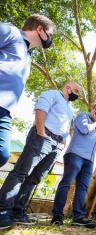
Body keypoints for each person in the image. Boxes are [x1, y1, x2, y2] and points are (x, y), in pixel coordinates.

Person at [0, 82, 81, 229]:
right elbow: (41, 110)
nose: (78, 94)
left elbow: (65, 127)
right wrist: (40, 131)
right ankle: (3, 209)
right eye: (76, 90)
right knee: (21, 172)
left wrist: (62, 143)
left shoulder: (69, 110)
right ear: (67, 88)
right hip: (42, 137)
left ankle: (18, 211)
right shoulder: (52, 94)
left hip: (56, 145)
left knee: (35, 178)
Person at [0, 15, 55, 168]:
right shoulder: (11, 32)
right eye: (49, 34)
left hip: (5, 111)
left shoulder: (28, 56)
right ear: (39, 29)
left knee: (2, 154)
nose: (50, 39)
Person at [51, 102, 96, 228]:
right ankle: (57, 215)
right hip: (75, 155)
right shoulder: (83, 116)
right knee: (66, 183)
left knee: (82, 188)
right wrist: (95, 122)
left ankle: (78, 217)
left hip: (89, 160)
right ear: (95, 109)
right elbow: (84, 130)